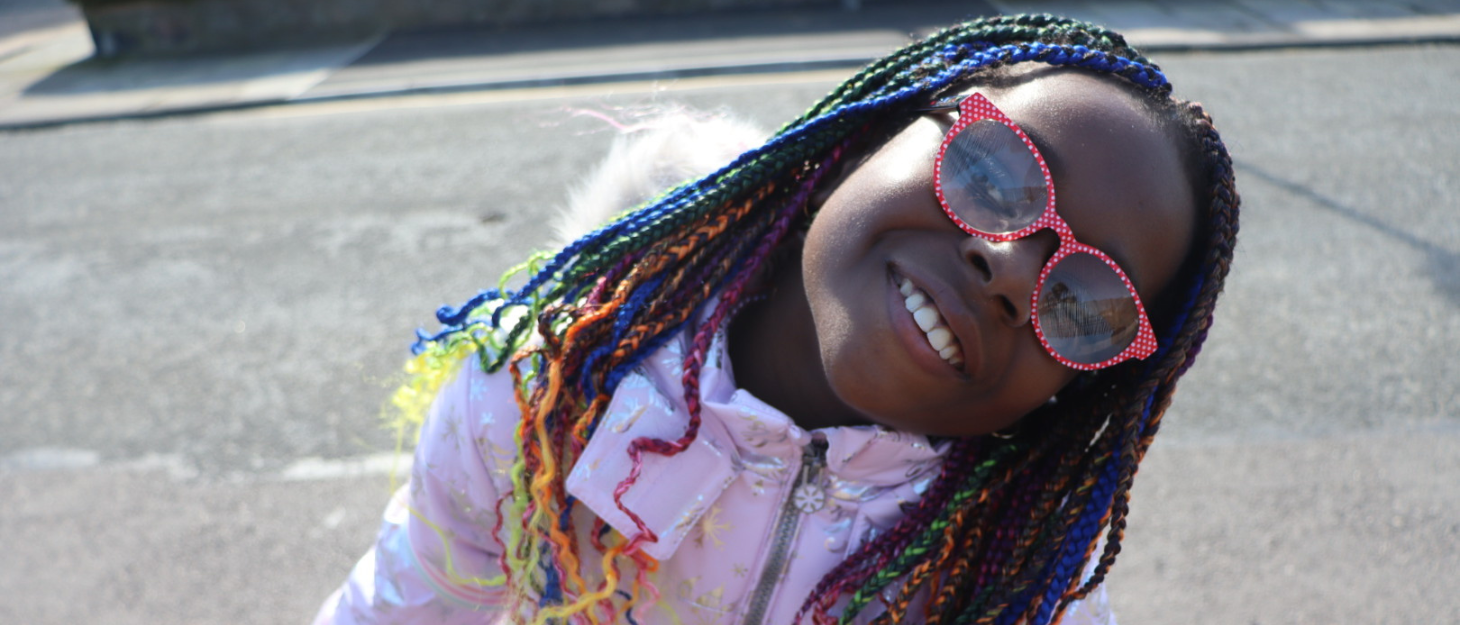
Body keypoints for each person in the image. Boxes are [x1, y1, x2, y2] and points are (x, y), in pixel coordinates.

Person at [315, 13, 1239, 625]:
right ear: (877, 132)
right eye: (997, 171)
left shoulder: (1019, 573)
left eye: (1085, 300)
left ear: (1080, 383)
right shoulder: (534, 402)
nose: (1005, 268)